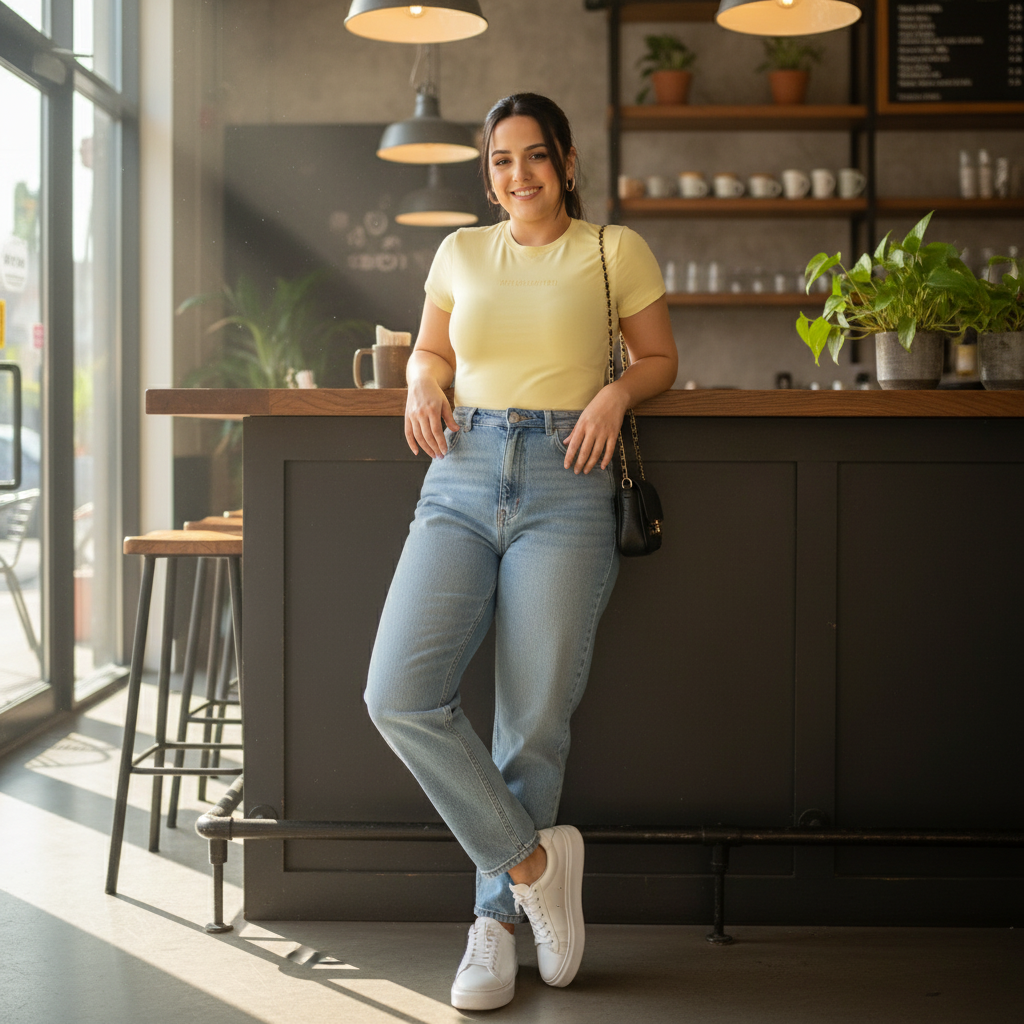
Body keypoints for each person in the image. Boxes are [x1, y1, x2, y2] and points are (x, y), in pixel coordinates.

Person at [364, 92, 677, 1011]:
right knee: (397, 692)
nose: (519, 175)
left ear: (566, 162)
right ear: (488, 174)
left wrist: (614, 399)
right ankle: (536, 866)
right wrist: (420, 387)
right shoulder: (459, 251)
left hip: (568, 480)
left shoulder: (614, 250)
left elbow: (657, 359)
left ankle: (494, 928)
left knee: (531, 720)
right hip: (459, 475)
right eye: (501, 161)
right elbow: (429, 353)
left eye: (535, 157)